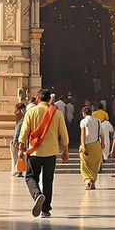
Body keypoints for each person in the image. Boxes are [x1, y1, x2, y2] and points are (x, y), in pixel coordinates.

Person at [17, 89, 69, 218]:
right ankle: (45, 209)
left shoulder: (31, 112)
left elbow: (24, 132)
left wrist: (20, 147)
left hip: (34, 151)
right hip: (51, 152)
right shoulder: (56, 113)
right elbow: (64, 133)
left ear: (38, 99)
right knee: (48, 180)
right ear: (50, 100)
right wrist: (65, 151)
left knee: (30, 177)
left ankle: (37, 194)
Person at [10, 103, 26, 177]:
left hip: (18, 142)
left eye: (16, 110)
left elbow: (18, 132)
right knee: (18, 157)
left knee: (16, 157)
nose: (15, 112)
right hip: (20, 142)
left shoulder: (21, 122)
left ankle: (17, 170)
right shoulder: (22, 120)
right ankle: (19, 171)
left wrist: (15, 140)